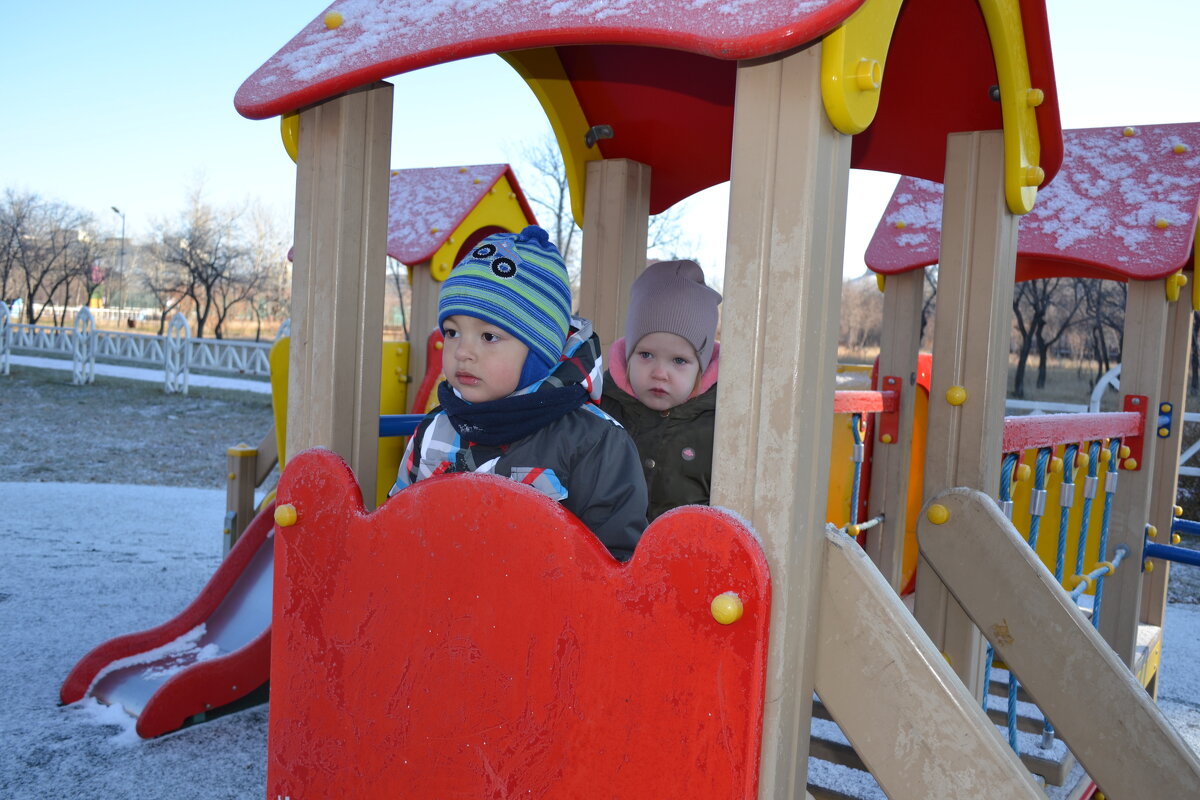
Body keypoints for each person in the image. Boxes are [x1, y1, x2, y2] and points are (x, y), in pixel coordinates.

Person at [390, 225, 647, 561]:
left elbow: (617, 562)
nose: (462, 352)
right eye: (452, 332)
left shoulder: (595, 444)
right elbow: (394, 529)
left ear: (538, 353)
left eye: (488, 337)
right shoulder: (434, 431)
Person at [600, 260, 721, 521]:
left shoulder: (718, 424)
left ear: (701, 367)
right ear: (628, 354)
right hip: (605, 555)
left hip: (687, 556)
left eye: (679, 361)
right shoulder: (600, 409)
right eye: (646, 354)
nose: (659, 372)